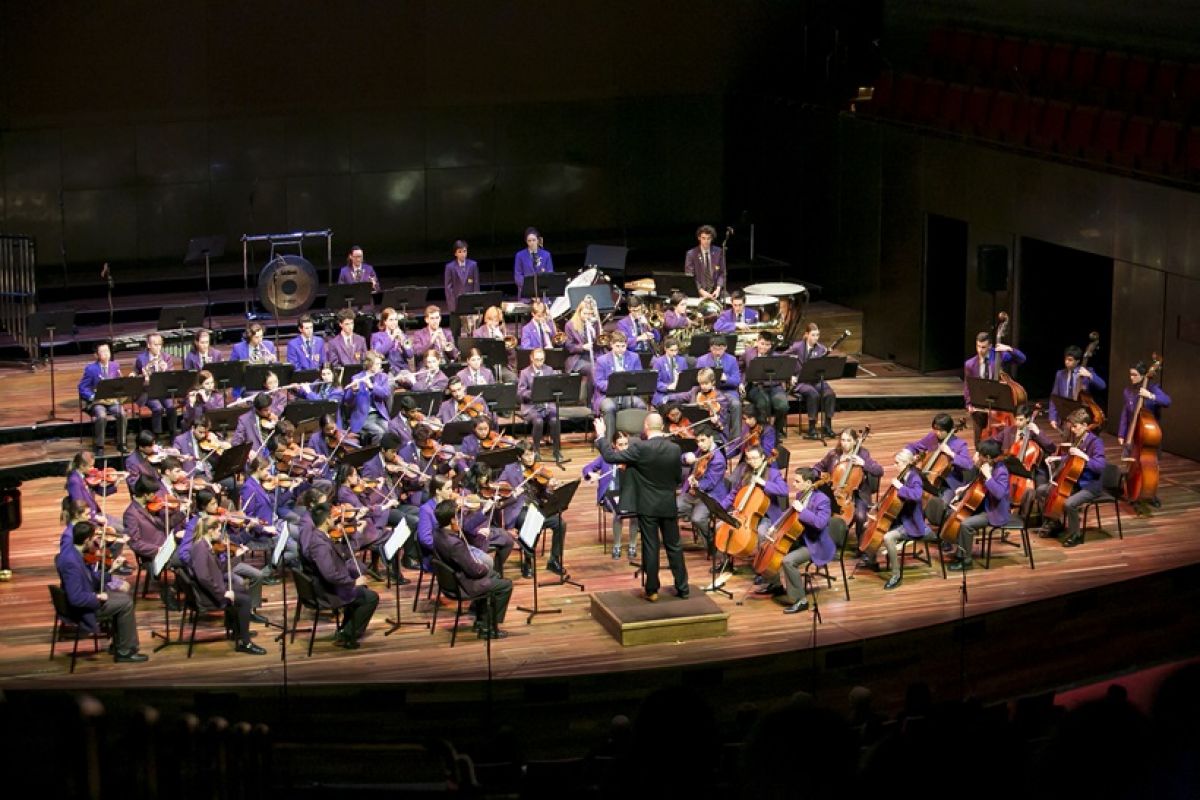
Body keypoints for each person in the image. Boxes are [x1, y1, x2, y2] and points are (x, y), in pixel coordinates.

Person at [594, 413, 688, 601]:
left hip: (648, 506)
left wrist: (601, 436)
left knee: (651, 546)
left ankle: (652, 590)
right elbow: (678, 479)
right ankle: (683, 588)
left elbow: (611, 456)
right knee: (674, 546)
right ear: (662, 427)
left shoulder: (640, 448)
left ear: (646, 426)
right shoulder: (675, 449)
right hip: (668, 504)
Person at [56, 521, 148, 663]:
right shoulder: (71, 563)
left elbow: (90, 577)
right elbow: (76, 598)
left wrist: (112, 576)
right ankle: (125, 651)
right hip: (83, 609)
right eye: (94, 539)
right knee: (126, 603)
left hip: (88, 598)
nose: (97, 542)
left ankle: (119, 644)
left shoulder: (73, 552)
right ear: (87, 540)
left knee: (122, 596)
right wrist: (97, 596)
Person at [755, 467, 834, 614]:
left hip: (814, 544)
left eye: (797, 481)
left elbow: (820, 523)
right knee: (771, 550)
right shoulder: (800, 494)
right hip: (798, 539)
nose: (793, 483)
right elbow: (789, 513)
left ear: (809, 482)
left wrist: (802, 511)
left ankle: (801, 600)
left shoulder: (823, 500)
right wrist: (774, 527)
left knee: (788, 561)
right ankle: (775, 584)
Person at [432, 499, 513, 640]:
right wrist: (484, 567)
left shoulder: (437, 533)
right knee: (505, 585)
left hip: (451, 580)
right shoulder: (455, 544)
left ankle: (481, 620)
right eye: (458, 516)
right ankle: (488, 627)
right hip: (462, 584)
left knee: (495, 576)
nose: (460, 519)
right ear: (452, 520)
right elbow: (475, 571)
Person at [185, 516, 267, 655]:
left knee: (241, 588)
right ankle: (245, 642)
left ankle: (238, 631)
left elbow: (220, 569)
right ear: (209, 531)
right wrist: (222, 593)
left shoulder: (206, 545)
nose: (220, 533)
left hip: (213, 588)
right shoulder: (200, 548)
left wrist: (236, 556)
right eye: (217, 530)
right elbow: (203, 578)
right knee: (245, 600)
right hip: (208, 595)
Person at [303, 504, 380, 649]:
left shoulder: (320, 536)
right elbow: (330, 574)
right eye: (333, 518)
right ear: (326, 521)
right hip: (328, 591)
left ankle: (346, 629)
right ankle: (346, 635)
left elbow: (340, 556)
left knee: (362, 592)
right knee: (370, 598)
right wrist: (352, 582)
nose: (336, 520)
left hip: (330, 585)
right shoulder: (320, 545)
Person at [859, 448, 934, 590]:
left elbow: (917, 495)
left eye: (897, 463)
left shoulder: (914, 478)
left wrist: (900, 488)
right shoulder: (903, 475)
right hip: (899, 518)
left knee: (888, 538)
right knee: (868, 527)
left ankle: (896, 575)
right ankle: (872, 560)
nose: (895, 465)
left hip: (911, 522)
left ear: (907, 463)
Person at [1040, 408, 1107, 548]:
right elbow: (1072, 459)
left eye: (1075, 426)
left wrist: (1084, 456)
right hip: (1075, 482)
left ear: (1084, 425)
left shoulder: (1096, 442)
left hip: (1090, 485)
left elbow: (1099, 466)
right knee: (1042, 490)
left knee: (1069, 503)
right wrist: (1056, 458)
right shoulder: (1079, 439)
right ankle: (1055, 522)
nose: (1072, 430)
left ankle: (1075, 535)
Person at [945, 439, 1010, 571]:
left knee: (966, 524)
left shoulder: (1001, 471)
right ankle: (959, 552)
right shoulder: (985, 465)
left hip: (994, 511)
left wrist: (989, 477)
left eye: (979, 454)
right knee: (953, 513)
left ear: (988, 457)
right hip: (982, 505)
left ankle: (966, 561)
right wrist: (964, 488)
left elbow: (998, 494)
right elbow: (977, 483)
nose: (977, 456)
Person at [812, 428, 883, 542]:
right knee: (820, 508)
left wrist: (863, 463)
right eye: (843, 440)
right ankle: (825, 541)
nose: (844, 443)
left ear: (855, 441)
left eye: (848, 440)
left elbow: (879, 471)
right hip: (835, 493)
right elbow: (817, 467)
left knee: (860, 516)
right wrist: (817, 477)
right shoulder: (834, 454)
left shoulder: (863, 454)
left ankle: (861, 545)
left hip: (858, 494)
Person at [582, 430, 637, 560]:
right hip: (609, 494)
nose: (624, 448)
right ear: (613, 445)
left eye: (626, 444)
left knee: (636, 512)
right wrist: (592, 474)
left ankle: (632, 545)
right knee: (619, 511)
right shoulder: (606, 458)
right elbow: (587, 468)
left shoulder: (633, 458)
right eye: (620, 444)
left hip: (628, 492)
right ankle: (617, 545)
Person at [963, 329, 1026, 442]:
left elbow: (1022, 359)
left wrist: (1010, 349)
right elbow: (968, 385)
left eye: (983, 347)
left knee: (1002, 436)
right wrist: (969, 404)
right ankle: (979, 452)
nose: (980, 350)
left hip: (999, 402)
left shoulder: (999, 355)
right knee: (978, 435)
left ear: (990, 345)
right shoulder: (970, 364)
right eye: (978, 346)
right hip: (981, 403)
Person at [677, 426, 727, 557]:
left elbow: (710, 482)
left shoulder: (718, 460)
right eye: (698, 441)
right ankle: (674, 544)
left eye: (703, 440)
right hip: (693, 493)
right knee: (672, 508)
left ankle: (710, 538)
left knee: (698, 518)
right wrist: (686, 457)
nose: (700, 444)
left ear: (711, 438)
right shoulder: (701, 449)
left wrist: (697, 483)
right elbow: (685, 458)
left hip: (709, 495)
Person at [904, 412, 972, 503]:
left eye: (941, 430)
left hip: (947, 484)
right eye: (935, 429)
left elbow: (968, 464)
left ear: (948, 430)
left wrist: (951, 453)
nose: (937, 433)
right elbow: (914, 446)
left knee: (941, 504)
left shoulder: (960, 444)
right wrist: (906, 453)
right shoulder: (932, 437)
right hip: (927, 478)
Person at [592, 331, 646, 443]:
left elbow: (640, 378)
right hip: (608, 395)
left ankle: (635, 441)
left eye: (623, 346)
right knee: (609, 407)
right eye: (617, 346)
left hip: (627, 394)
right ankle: (609, 443)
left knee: (640, 404)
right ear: (611, 345)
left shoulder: (634, 357)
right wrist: (613, 385)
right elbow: (599, 382)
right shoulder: (602, 360)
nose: (621, 349)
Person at [787, 323, 837, 439]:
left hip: (816, 380)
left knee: (830, 394)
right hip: (800, 381)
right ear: (806, 335)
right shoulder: (797, 347)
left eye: (817, 335)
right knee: (813, 394)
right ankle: (812, 427)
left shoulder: (821, 349)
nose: (816, 338)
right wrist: (790, 376)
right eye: (813, 335)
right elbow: (783, 359)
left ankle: (827, 425)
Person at [78, 342, 128, 456]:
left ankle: (122, 442)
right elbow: (82, 387)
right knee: (101, 416)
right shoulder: (91, 369)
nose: (106, 354)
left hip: (111, 401)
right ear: (96, 355)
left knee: (122, 413)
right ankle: (99, 445)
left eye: (108, 351)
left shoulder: (115, 366)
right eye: (103, 351)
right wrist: (91, 396)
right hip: (98, 402)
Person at [517, 347, 564, 461]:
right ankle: (536, 451)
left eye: (542, 359)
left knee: (554, 420)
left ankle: (556, 450)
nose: (539, 362)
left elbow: (555, 387)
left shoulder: (549, 370)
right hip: (531, 406)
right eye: (537, 359)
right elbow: (520, 393)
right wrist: (533, 393)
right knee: (538, 421)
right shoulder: (525, 372)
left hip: (547, 405)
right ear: (531, 359)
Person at [695, 337, 743, 442]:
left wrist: (726, 379)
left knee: (736, 404)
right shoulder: (702, 360)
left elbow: (736, 380)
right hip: (708, 392)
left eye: (720, 349)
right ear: (710, 348)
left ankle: (736, 438)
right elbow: (697, 380)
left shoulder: (732, 359)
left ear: (725, 348)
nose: (717, 352)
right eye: (714, 349)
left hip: (727, 391)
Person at [744, 331, 791, 438]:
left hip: (774, 386)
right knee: (763, 404)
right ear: (757, 342)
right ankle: (764, 430)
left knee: (783, 406)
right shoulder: (748, 353)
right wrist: (742, 383)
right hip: (755, 387)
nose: (764, 347)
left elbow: (782, 374)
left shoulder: (776, 357)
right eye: (762, 343)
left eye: (767, 345)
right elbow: (741, 368)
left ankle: (777, 429)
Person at [1048, 345, 1107, 428]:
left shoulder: (1086, 372)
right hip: (1066, 415)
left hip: (1083, 416)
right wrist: (1052, 418)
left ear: (1077, 361)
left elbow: (1102, 386)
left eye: (1070, 360)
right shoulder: (1060, 374)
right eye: (1066, 359)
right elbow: (1054, 398)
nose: (1066, 362)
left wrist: (1089, 375)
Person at [133, 332, 178, 439]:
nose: (158, 347)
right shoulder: (141, 359)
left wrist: (165, 370)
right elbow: (135, 376)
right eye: (155, 345)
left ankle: (173, 434)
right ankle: (156, 436)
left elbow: (172, 377)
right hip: (148, 392)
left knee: (171, 406)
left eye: (160, 345)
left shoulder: (166, 357)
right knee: (157, 408)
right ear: (149, 345)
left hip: (163, 390)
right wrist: (143, 377)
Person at [1117, 359, 1171, 447]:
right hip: (1133, 434)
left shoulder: (1152, 388)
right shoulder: (1128, 391)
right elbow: (1125, 414)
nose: (1131, 377)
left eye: (1135, 375)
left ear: (1143, 375)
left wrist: (1150, 395)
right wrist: (1121, 434)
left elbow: (1167, 401)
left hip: (1149, 435)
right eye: (1131, 374)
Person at [343, 351, 392, 444]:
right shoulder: (357, 378)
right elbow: (347, 401)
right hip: (363, 417)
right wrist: (354, 391)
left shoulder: (383, 377)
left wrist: (372, 387)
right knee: (379, 432)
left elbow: (386, 394)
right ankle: (374, 454)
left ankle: (385, 454)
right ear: (370, 365)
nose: (380, 366)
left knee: (389, 430)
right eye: (377, 364)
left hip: (379, 414)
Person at [684, 224, 725, 300]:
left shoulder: (718, 252)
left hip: (716, 291)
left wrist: (718, 288)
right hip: (698, 291)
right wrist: (701, 291)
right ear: (699, 238)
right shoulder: (691, 254)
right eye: (703, 238)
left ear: (712, 239)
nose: (706, 241)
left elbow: (722, 273)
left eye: (708, 238)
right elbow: (690, 276)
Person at [513, 227, 553, 300]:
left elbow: (550, 273)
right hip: (526, 296)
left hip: (542, 295)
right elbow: (518, 276)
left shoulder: (546, 255)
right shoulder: (520, 255)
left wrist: (539, 291)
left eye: (534, 240)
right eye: (529, 241)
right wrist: (531, 291)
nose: (532, 243)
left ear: (538, 240)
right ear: (526, 241)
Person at [370, 307, 412, 374]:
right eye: (391, 320)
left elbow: (410, 355)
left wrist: (403, 341)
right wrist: (392, 338)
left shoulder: (404, 336)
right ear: (385, 322)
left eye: (396, 320)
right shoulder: (377, 336)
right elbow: (378, 352)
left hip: (403, 370)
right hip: (386, 370)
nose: (394, 322)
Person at [651, 336, 690, 407]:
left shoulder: (682, 360)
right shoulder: (658, 362)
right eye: (671, 350)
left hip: (679, 391)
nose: (674, 353)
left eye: (676, 350)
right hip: (663, 393)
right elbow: (655, 382)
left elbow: (686, 379)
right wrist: (668, 387)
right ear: (665, 349)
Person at [444, 239, 480, 314]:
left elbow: (476, 285)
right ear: (455, 253)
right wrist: (452, 307)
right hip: (457, 303)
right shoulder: (450, 267)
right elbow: (448, 288)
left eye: (464, 251)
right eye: (459, 252)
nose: (462, 254)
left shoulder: (473, 265)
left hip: (470, 302)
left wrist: (476, 302)